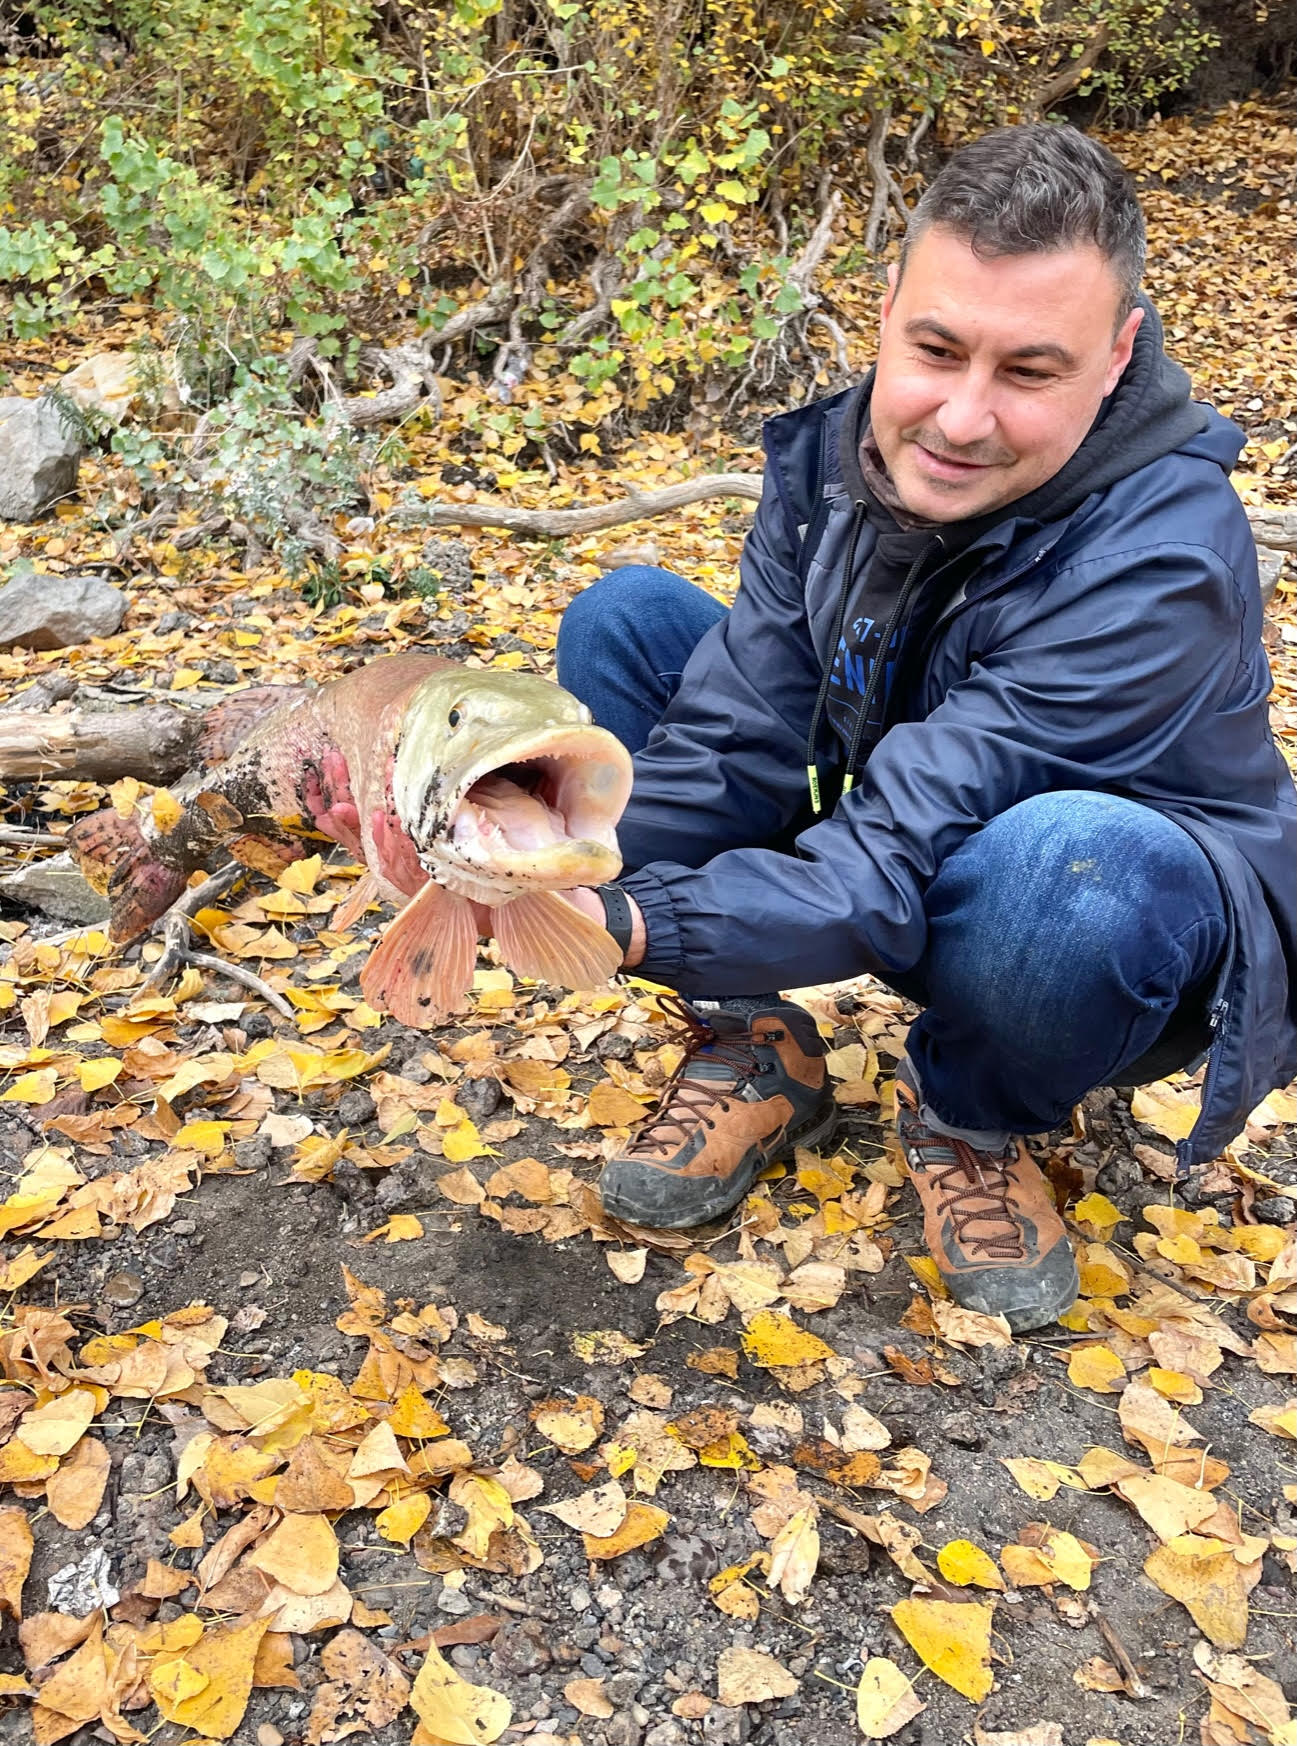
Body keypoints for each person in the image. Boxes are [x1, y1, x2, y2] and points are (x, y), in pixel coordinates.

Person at [554, 123, 1297, 1334]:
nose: (957, 419)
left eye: (1028, 372)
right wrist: (526, 859)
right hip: (896, 819)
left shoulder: (1161, 556)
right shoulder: (836, 460)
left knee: (1073, 878)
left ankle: (972, 1110)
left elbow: (903, 841)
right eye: (936, 350)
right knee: (624, 623)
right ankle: (754, 1037)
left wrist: (631, 924)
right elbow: (737, 735)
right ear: (887, 304)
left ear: (1116, 355)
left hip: (1089, 922)